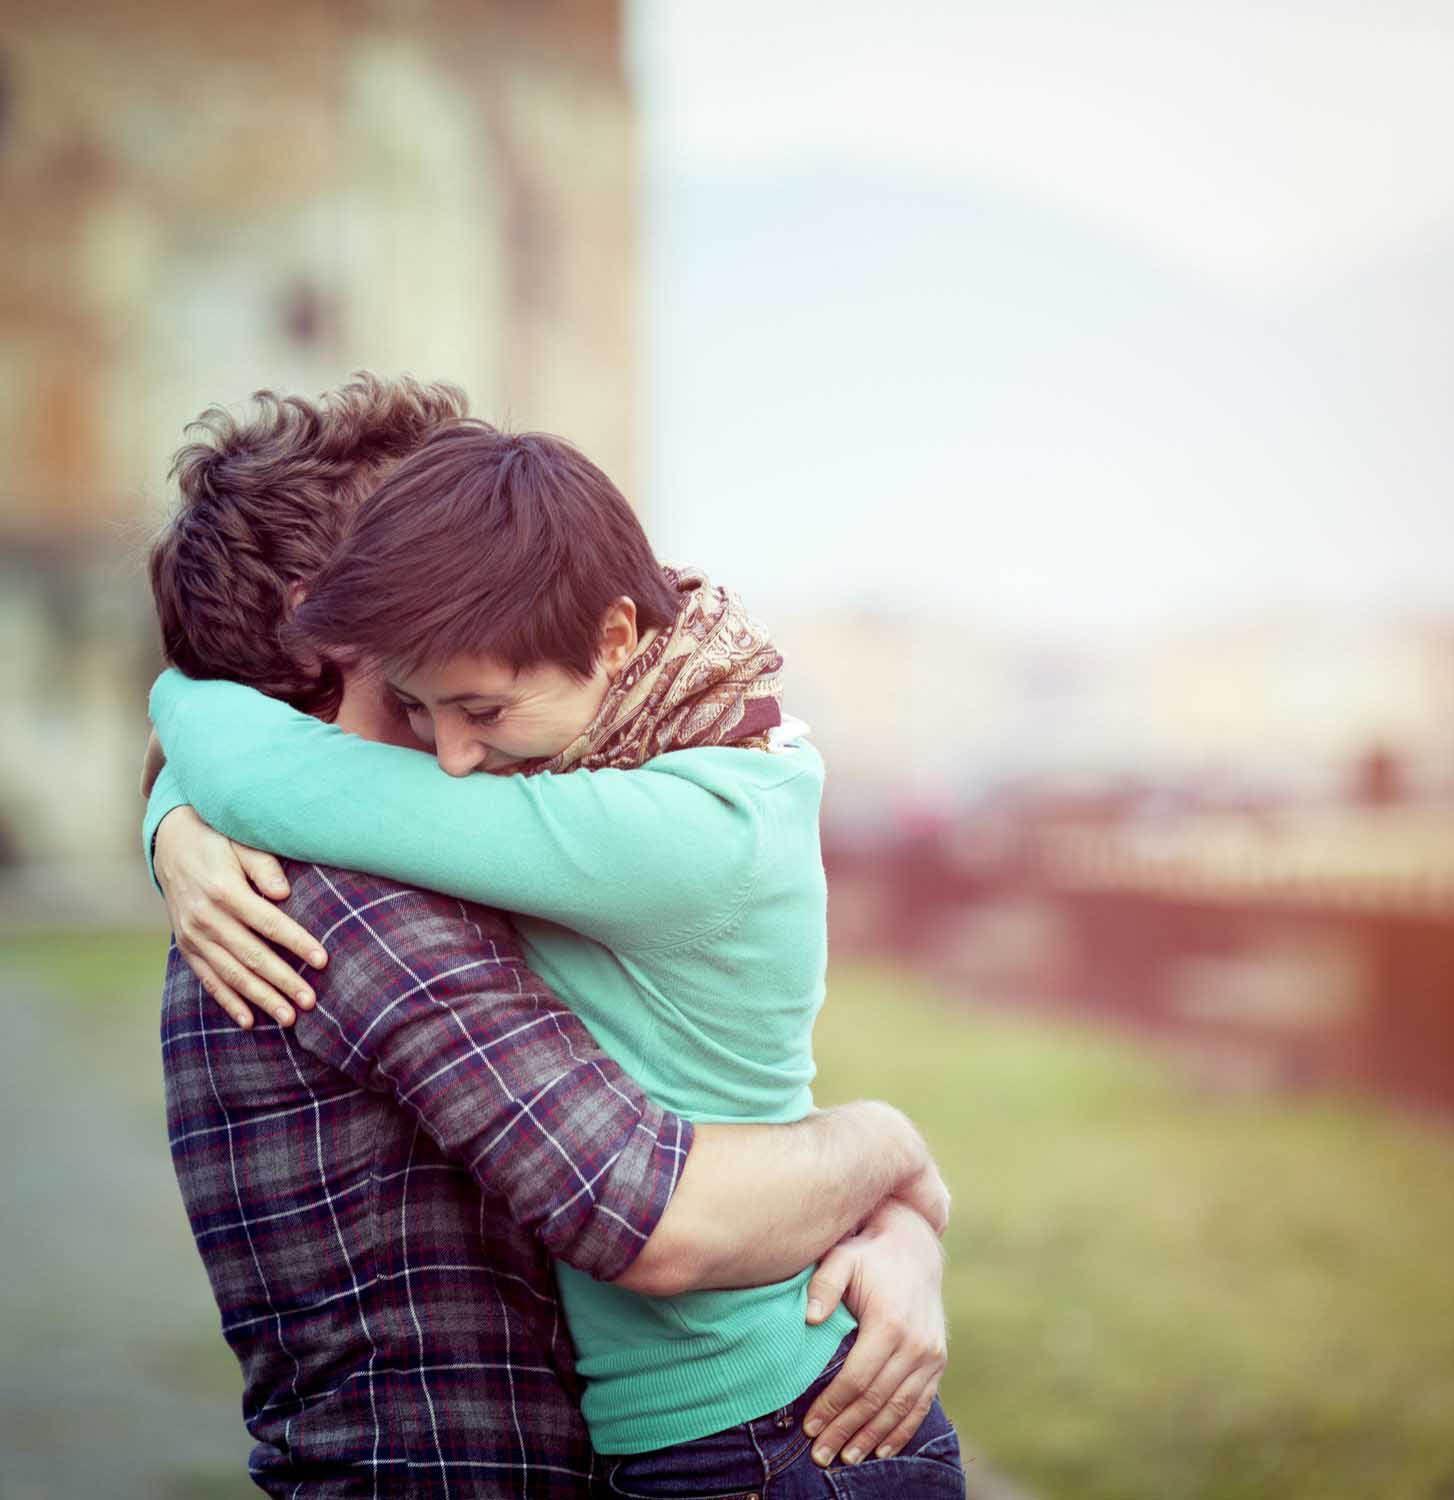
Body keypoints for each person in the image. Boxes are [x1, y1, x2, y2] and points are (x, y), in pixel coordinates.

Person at [144, 377, 957, 1497]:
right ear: (323, 621)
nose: (451, 753)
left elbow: (684, 1094)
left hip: (768, 1431)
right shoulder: (349, 902)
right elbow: (657, 1210)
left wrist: (172, 799)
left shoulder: (622, 820)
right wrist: (886, 1151)